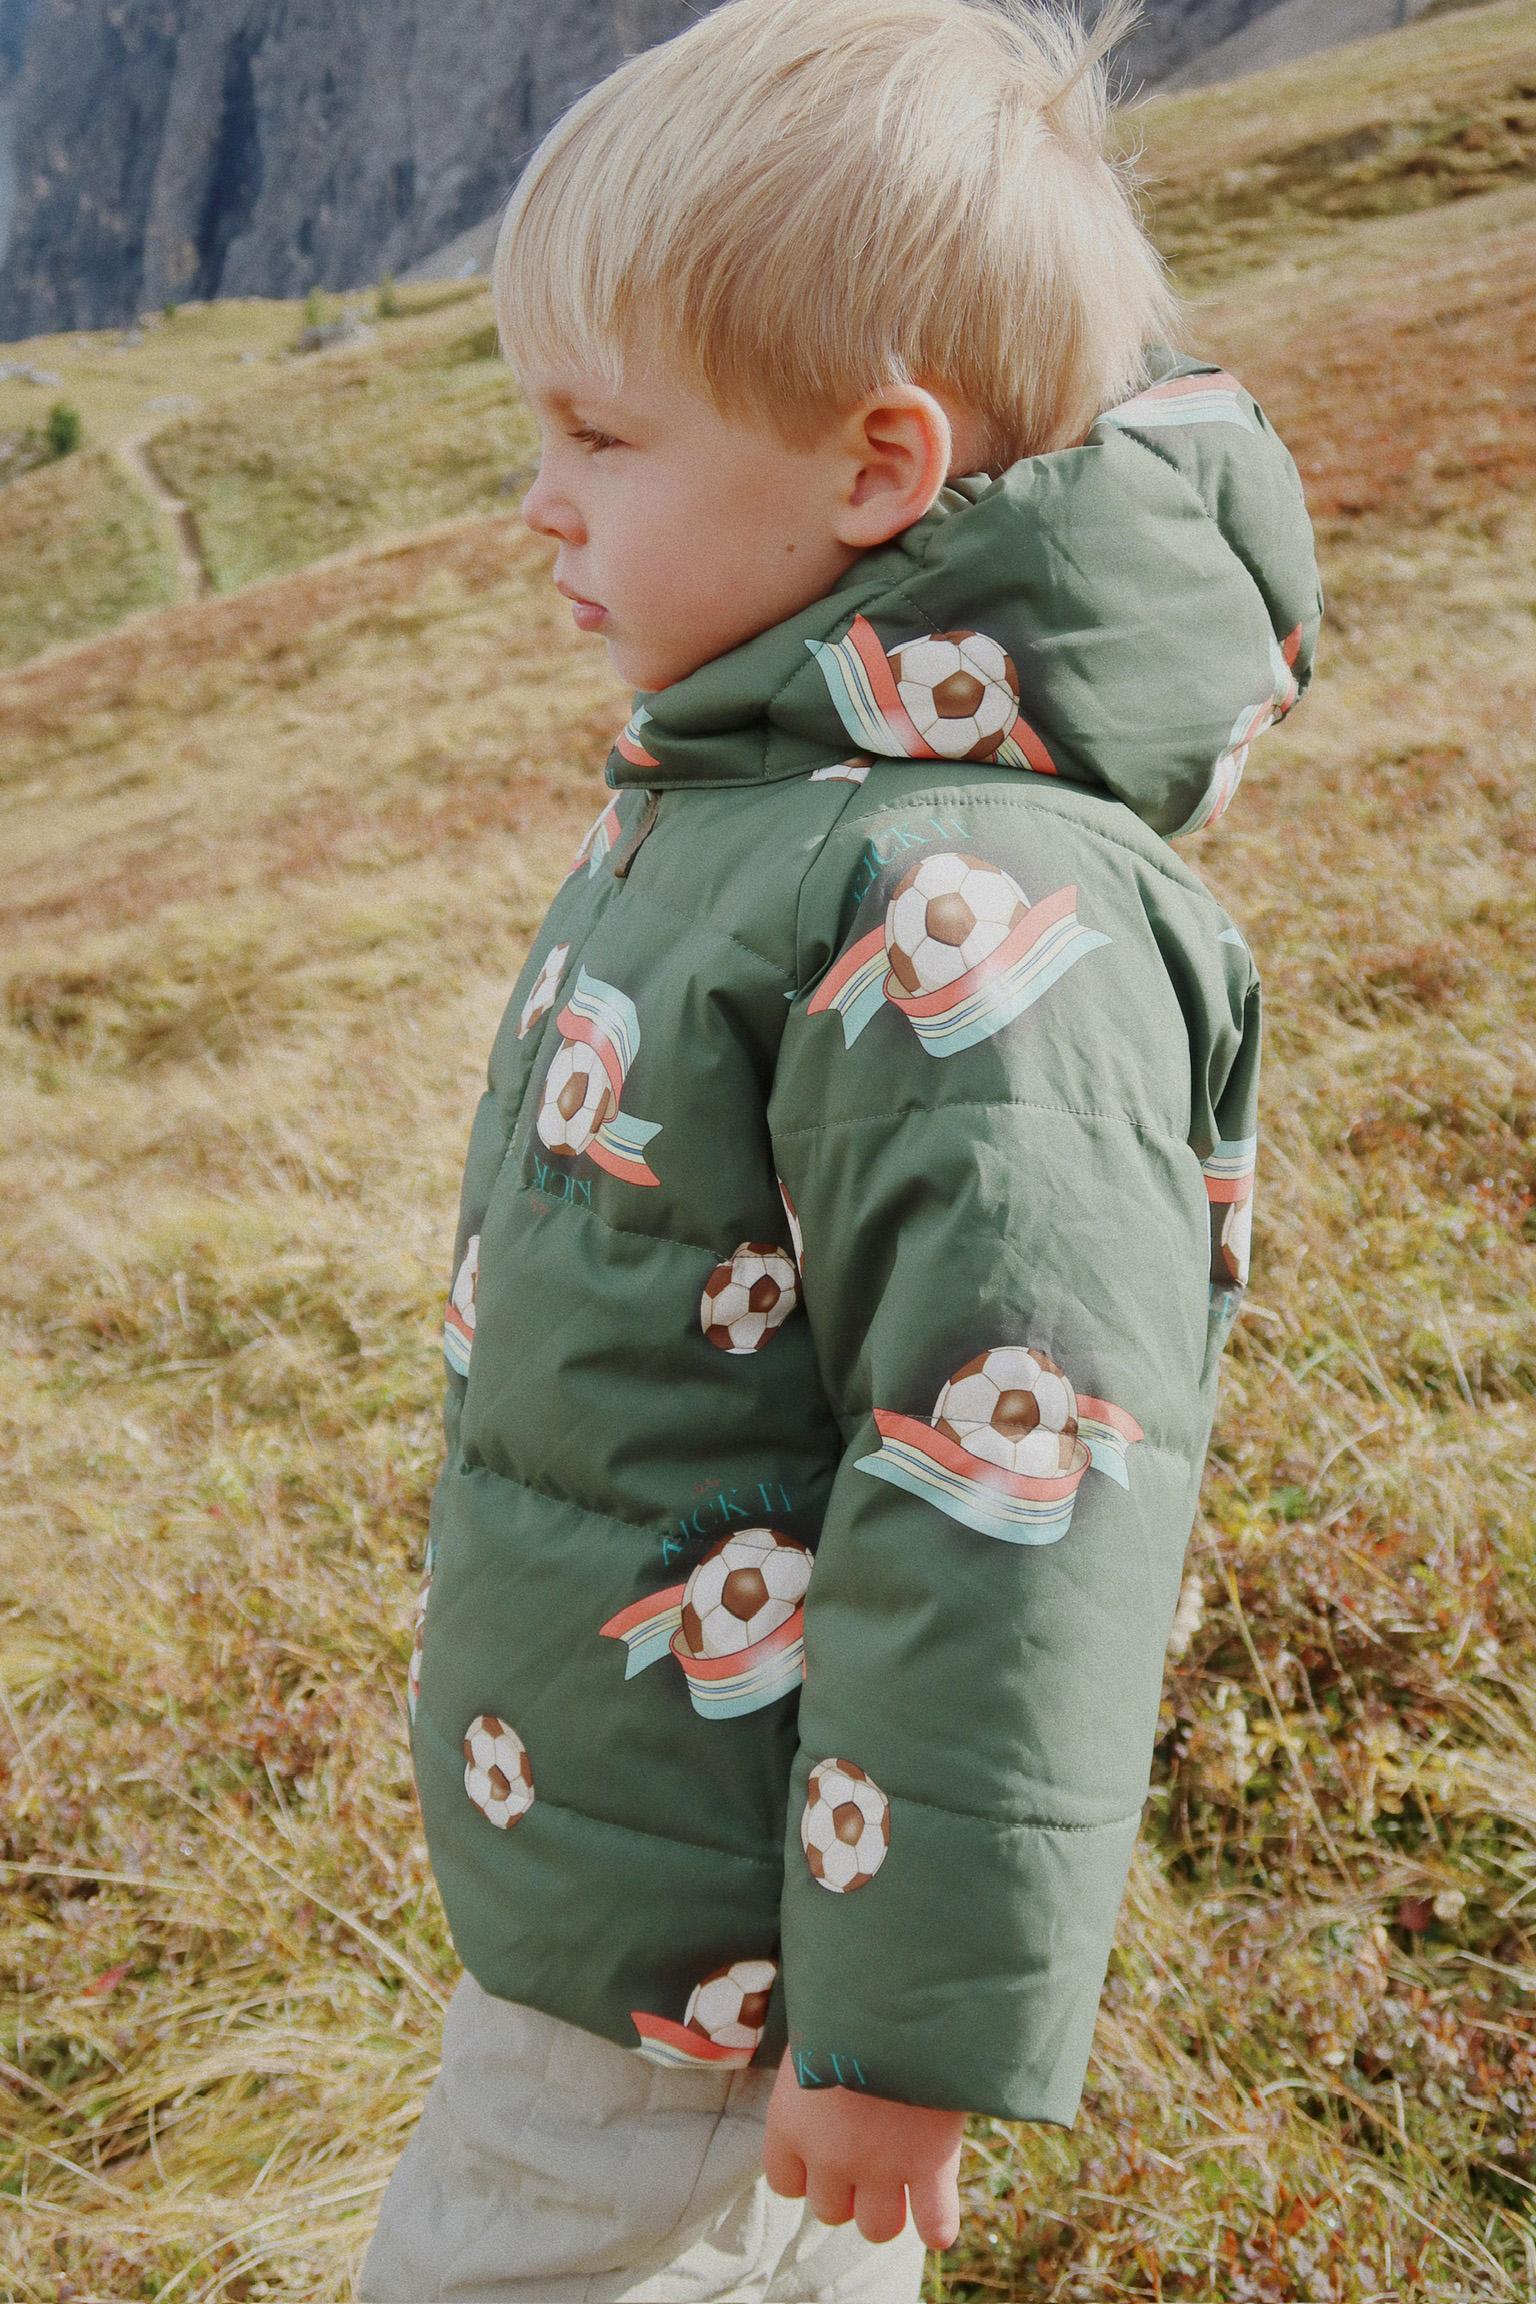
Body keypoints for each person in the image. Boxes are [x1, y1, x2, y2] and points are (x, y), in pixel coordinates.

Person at [358, 0, 1323, 2295]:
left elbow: (1013, 1489)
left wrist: (901, 2027)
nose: (540, 500)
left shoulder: (971, 906)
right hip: (633, 1919)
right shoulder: (767, 811)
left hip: (730, 2008)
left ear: (879, 464)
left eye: (602, 433)